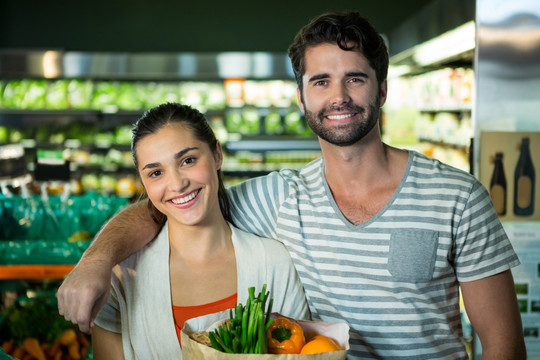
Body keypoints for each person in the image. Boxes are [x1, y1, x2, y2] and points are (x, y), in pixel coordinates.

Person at [58, 11, 526, 359]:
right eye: (320, 81)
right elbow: (176, 200)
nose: (338, 96)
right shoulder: (279, 197)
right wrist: (96, 261)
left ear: (382, 90)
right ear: (301, 96)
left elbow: (503, 344)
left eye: (355, 79)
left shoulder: (458, 197)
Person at [89, 103, 309, 359]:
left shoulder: (276, 264)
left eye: (188, 160)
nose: (177, 184)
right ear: (143, 182)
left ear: (217, 154)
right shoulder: (121, 281)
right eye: (156, 172)